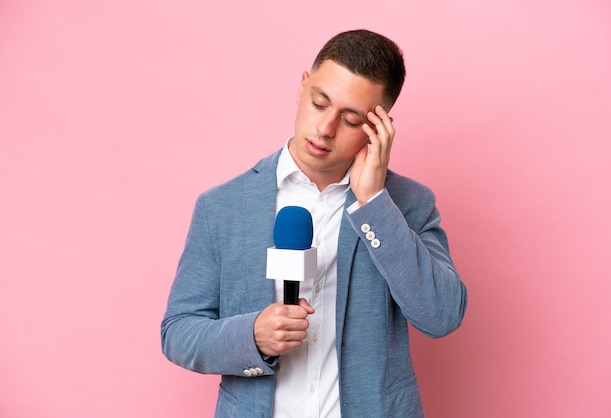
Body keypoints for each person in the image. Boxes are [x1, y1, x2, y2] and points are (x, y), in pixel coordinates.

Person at [161, 29, 467, 418]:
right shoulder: (221, 207)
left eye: (351, 118)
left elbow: (441, 316)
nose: (325, 129)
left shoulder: (408, 204)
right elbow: (178, 332)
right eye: (319, 103)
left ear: (380, 127)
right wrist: (252, 335)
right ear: (303, 86)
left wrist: (374, 202)